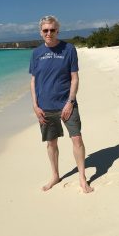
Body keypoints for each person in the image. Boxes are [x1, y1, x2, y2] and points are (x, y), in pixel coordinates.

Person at [29, 15, 94, 193]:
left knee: (77, 139)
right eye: (45, 30)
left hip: (67, 104)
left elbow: (74, 78)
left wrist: (70, 102)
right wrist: (35, 105)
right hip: (45, 107)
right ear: (40, 32)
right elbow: (33, 81)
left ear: (58, 30)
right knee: (51, 143)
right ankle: (55, 175)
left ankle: (82, 177)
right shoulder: (36, 53)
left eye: (52, 30)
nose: (49, 33)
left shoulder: (69, 49)